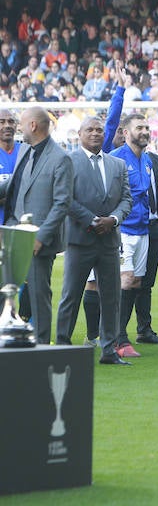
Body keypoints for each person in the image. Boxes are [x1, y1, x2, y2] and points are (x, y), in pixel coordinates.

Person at [55, 117, 132, 364]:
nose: (96, 133)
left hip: (109, 240)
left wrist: (114, 219)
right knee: (71, 295)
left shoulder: (118, 164)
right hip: (79, 239)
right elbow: (64, 197)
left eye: (100, 130)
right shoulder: (67, 160)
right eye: (90, 129)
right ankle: (63, 348)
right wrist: (92, 220)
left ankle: (109, 350)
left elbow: (127, 200)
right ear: (79, 134)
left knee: (111, 297)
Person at [0, 106, 73, 344]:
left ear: (33, 125)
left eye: (20, 123)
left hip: (38, 240)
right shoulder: (24, 150)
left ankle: (41, 346)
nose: (18, 128)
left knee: (38, 295)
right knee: (6, 291)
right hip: (12, 232)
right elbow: (16, 187)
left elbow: (62, 203)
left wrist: (39, 237)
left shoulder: (60, 158)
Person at [108, 114, 153, 358]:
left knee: (135, 282)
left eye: (146, 127)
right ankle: (118, 337)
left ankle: (117, 334)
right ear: (126, 132)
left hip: (142, 229)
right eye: (139, 128)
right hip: (123, 230)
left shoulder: (146, 160)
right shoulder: (115, 159)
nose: (145, 131)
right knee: (125, 280)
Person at [0, 109, 22, 224]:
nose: (7, 125)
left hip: (21, 224)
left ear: (16, 125)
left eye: (11, 121)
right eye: (2, 122)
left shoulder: (26, 151)